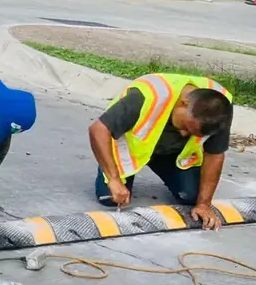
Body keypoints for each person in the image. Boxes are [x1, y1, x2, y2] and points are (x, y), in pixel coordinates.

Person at [88, 73, 233, 231]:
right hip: (130, 152)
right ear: (183, 103)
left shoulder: (220, 109)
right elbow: (98, 130)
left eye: (193, 133)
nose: (184, 134)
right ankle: (112, 172)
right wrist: (114, 179)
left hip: (172, 154)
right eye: (185, 127)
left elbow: (215, 153)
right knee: (110, 199)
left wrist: (204, 204)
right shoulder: (146, 96)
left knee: (191, 196)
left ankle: (165, 168)